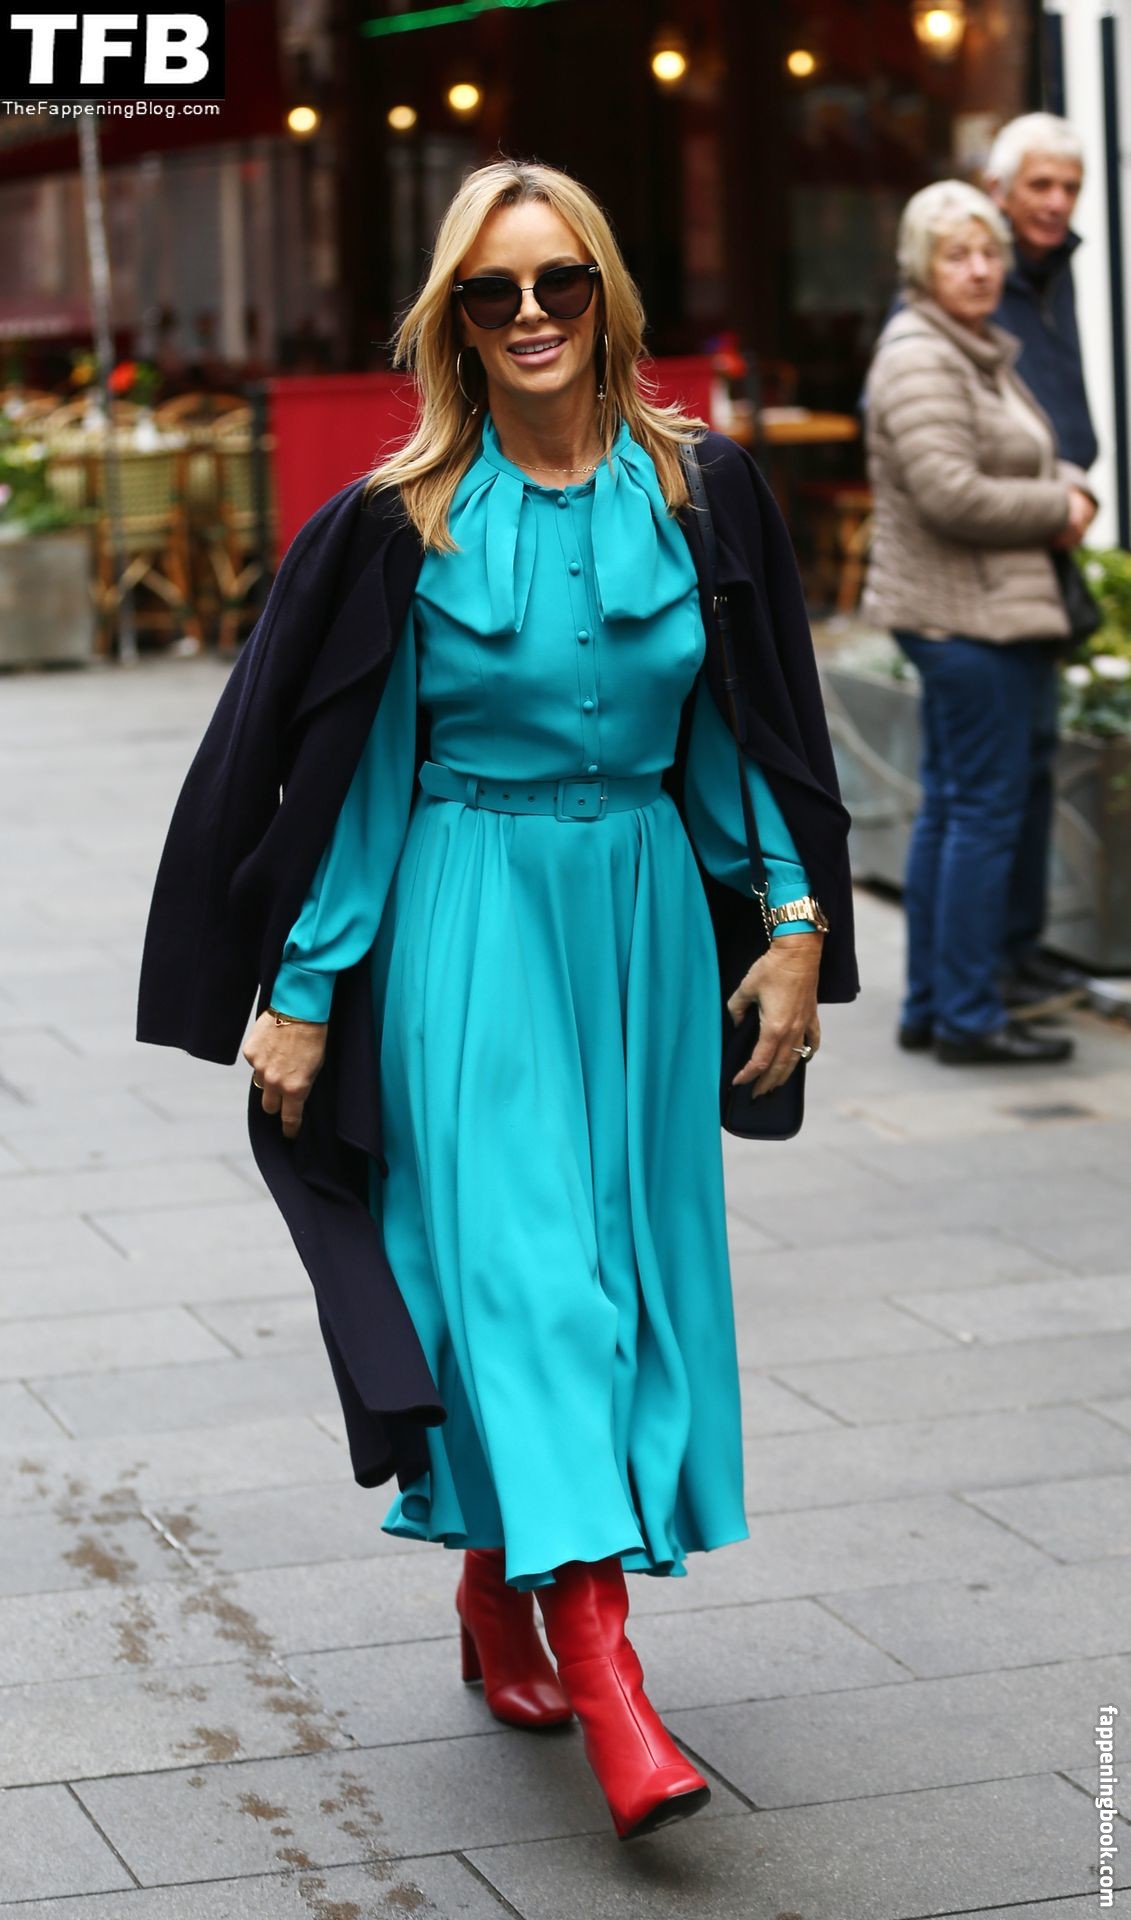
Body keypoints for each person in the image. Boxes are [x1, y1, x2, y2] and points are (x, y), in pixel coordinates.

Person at [137, 159, 857, 1840]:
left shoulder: (700, 491)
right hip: (469, 923)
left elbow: (742, 731)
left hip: (644, 932)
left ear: (605, 294)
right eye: (491, 291)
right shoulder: (403, 519)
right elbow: (357, 775)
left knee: (622, 1282)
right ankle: (608, 1677)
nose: (530, 314)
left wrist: (793, 922)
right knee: (532, 1288)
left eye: (558, 283)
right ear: (452, 323)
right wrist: (302, 988)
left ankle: (492, 1581)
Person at [862, 180, 1097, 1066]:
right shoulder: (921, 356)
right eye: (956, 254)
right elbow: (949, 492)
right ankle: (965, 1014)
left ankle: (934, 1004)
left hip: (986, 612)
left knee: (957, 809)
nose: (978, 269)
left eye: (989, 253)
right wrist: (1058, 505)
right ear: (922, 266)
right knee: (980, 816)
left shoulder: (969, 348)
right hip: (965, 620)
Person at [984, 112, 1098, 1006]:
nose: (1057, 203)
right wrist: (1056, 498)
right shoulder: (978, 280)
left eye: (1069, 187)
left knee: (1029, 771)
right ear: (997, 191)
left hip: (1043, 559)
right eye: (1040, 185)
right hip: (988, 573)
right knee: (984, 796)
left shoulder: (1051, 273)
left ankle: (1017, 955)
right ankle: (973, 984)